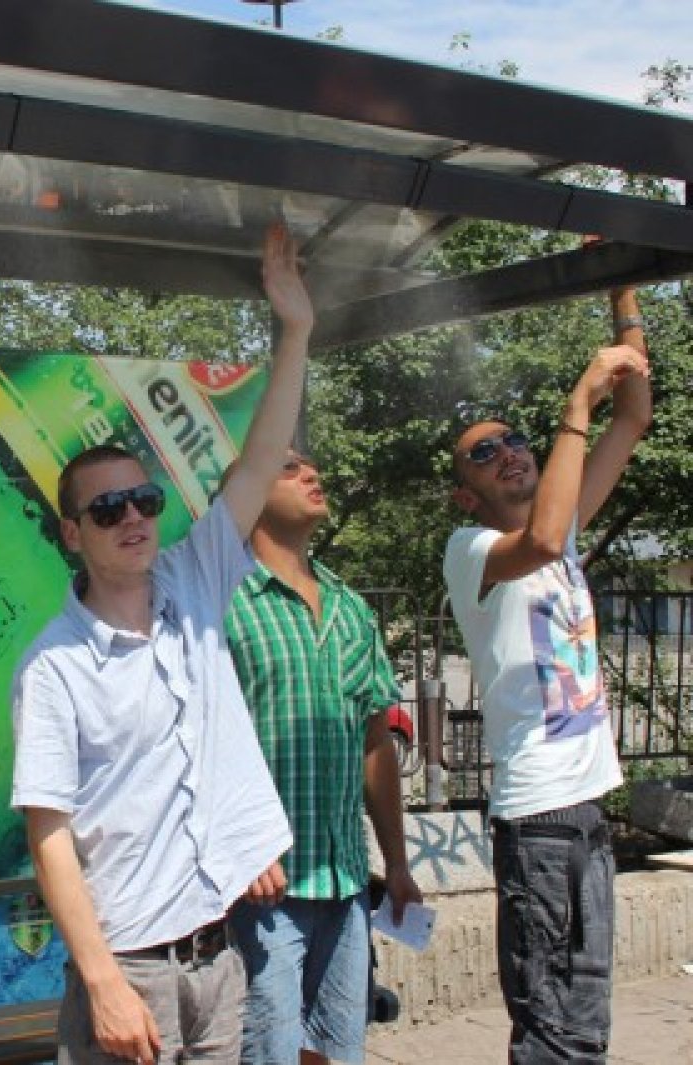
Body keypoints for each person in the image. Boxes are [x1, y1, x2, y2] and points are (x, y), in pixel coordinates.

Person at [11, 223, 312, 1065]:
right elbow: (49, 835)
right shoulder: (53, 666)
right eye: (108, 509)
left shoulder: (193, 580)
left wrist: (295, 330)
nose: (133, 518)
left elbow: (258, 464)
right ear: (72, 533)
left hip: (217, 953)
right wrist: (101, 979)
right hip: (129, 968)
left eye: (143, 500)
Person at [442, 281, 651, 1064]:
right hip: (536, 821)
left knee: (586, 1024)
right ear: (466, 494)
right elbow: (542, 535)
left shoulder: (560, 538)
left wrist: (622, 288)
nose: (508, 451)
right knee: (551, 1029)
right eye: (484, 453)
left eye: (513, 439)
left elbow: (634, 416)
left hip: (586, 810)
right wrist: (574, 404)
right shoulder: (470, 551)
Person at [224, 449, 423, 1064]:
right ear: (246, 491)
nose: (312, 475)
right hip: (261, 892)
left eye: (310, 466)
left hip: (344, 887)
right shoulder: (224, 602)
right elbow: (198, 743)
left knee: (336, 1054)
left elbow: (374, 744)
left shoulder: (350, 608)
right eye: (287, 469)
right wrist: (238, 846)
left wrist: (396, 862)